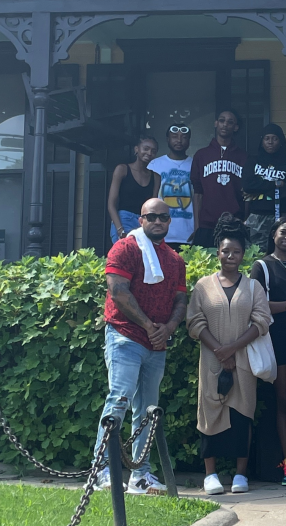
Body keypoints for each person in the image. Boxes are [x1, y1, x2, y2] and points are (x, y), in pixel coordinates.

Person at [93, 198, 186, 495]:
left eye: (163, 217)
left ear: (169, 221)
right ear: (141, 220)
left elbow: (181, 299)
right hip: (124, 335)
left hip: (156, 343)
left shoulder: (175, 259)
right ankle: (102, 471)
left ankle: (140, 476)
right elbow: (118, 292)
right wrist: (149, 326)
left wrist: (168, 329)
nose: (158, 221)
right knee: (118, 400)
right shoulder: (125, 248)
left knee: (147, 410)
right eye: (152, 216)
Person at [187, 215, 271, 495]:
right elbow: (195, 322)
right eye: (225, 251)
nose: (230, 256)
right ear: (217, 252)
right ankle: (210, 474)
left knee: (242, 416)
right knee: (209, 413)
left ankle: (240, 474)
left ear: (243, 254)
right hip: (211, 360)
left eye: (236, 251)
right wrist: (219, 350)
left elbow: (261, 321)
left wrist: (232, 349)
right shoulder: (202, 286)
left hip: (243, 361)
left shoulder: (253, 287)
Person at [249, 217, 286, 485]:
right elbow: (259, 306)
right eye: (284, 232)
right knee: (283, 401)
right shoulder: (261, 265)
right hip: (277, 340)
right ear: (273, 234)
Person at [191, 110, 247, 247]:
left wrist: (244, 221)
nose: (225, 124)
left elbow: (246, 194)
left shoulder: (243, 156)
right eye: (222, 120)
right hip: (207, 223)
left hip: (234, 222)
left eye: (230, 122)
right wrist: (197, 225)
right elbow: (198, 193)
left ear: (236, 127)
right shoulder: (201, 155)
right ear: (216, 123)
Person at [242, 124, 286, 247]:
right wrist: (275, 184)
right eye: (267, 138)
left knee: (282, 248)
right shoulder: (252, 161)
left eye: (274, 138)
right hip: (256, 215)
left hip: (283, 215)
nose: (270, 142)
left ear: (281, 141)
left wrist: (260, 187)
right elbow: (247, 185)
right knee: (254, 251)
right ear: (261, 141)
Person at [108, 136, 162, 244]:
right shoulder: (122, 169)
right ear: (136, 149)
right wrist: (120, 229)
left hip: (144, 223)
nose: (149, 153)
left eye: (153, 151)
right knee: (125, 256)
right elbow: (111, 204)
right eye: (146, 148)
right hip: (124, 219)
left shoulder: (156, 177)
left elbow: (153, 207)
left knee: (143, 259)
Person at [149, 126, 194, 244]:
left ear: (189, 140)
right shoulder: (154, 164)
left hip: (189, 234)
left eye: (184, 137)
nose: (179, 140)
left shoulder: (196, 164)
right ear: (167, 139)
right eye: (174, 137)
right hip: (160, 234)